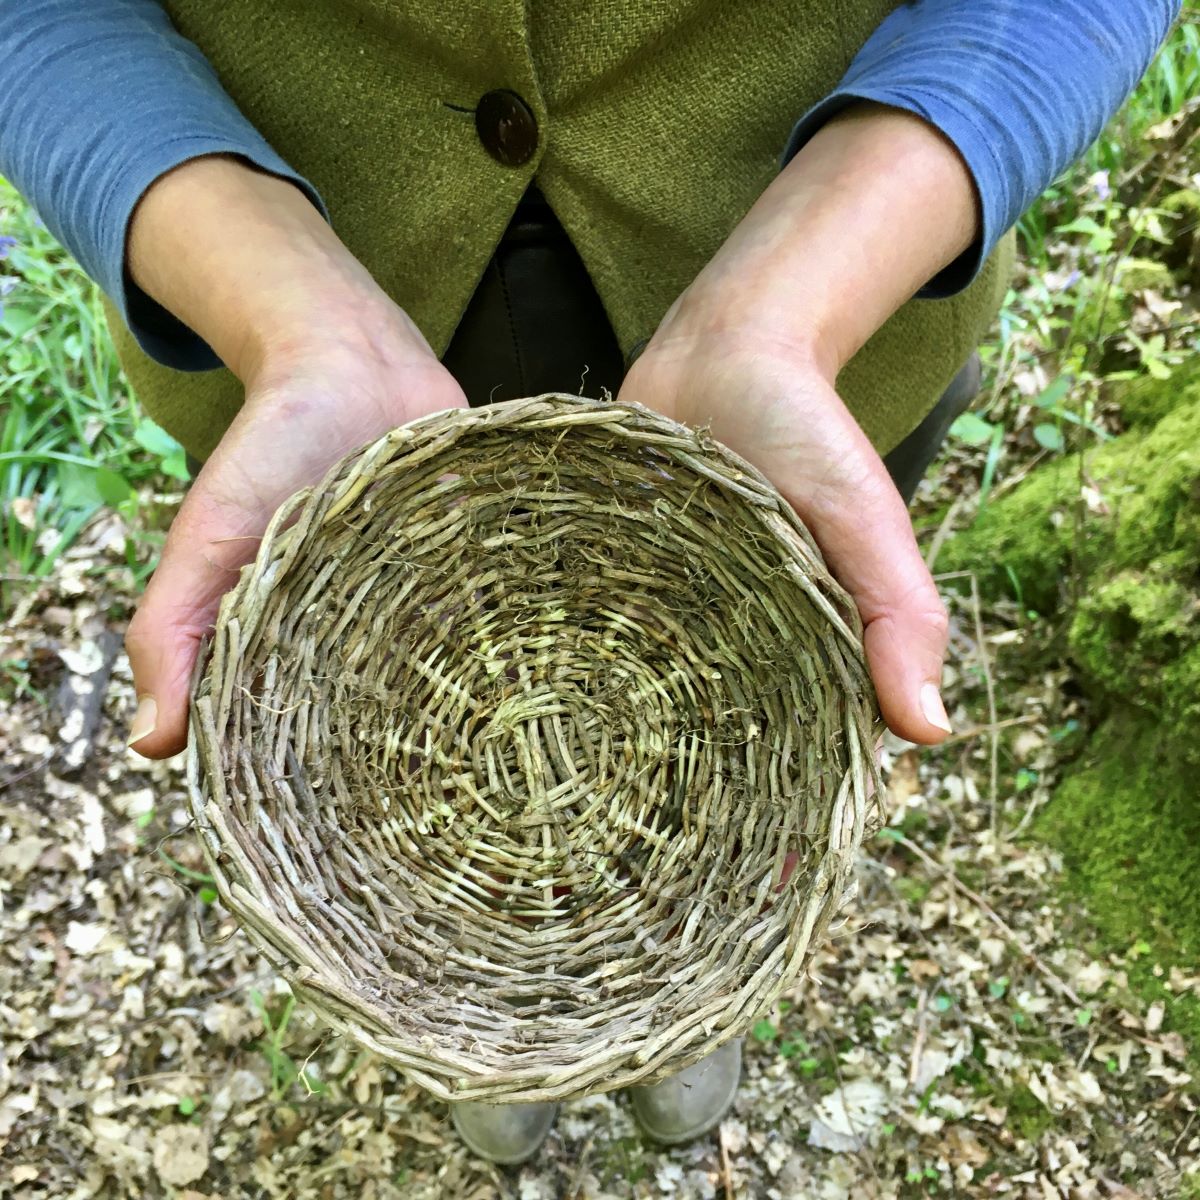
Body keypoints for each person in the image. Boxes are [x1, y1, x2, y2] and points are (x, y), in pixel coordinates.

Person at [0, 0, 1180, 1167]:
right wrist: (279, 310)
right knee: (389, 733)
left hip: (826, 307)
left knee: (740, 705)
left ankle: (677, 978)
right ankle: (477, 1004)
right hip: (287, 337)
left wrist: (792, 305)